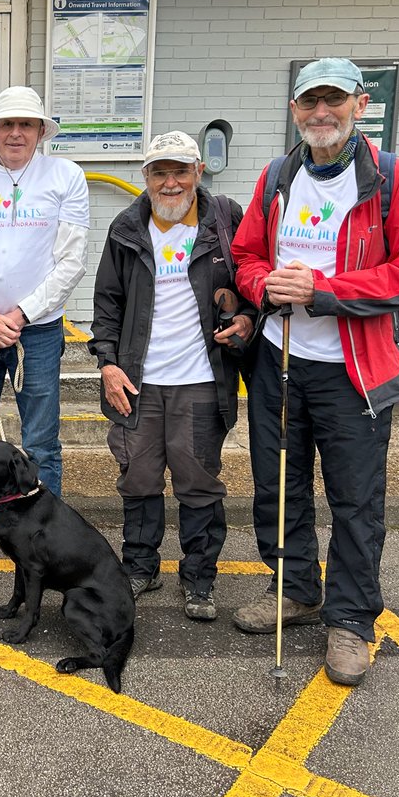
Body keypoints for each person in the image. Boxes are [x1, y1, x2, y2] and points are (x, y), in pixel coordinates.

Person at [231, 57, 399, 685]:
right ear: (294, 110)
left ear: (359, 105)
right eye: (309, 103)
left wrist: (323, 290)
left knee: (354, 500)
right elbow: (244, 256)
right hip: (280, 359)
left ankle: (350, 619)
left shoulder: (392, 180)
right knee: (280, 485)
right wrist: (265, 285)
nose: (321, 114)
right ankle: (296, 590)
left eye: (333, 102)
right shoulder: (276, 177)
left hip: (356, 368)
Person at [88, 131, 254, 620]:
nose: (170, 182)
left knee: (198, 484)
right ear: (146, 177)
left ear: (198, 172)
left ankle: (199, 580)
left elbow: (250, 281)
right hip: (138, 382)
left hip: (202, 383)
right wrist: (108, 363)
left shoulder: (225, 222)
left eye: (180, 170)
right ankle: (140, 567)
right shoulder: (126, 228)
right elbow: (107, 302)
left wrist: (244, 317)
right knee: (137, 478)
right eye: (159, 171)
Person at [0, 86, 89, 571]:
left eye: (27, 124)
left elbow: (71, 262)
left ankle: (47, 531)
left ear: (41, 131)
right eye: (8, 125)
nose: (17, 132)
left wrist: (21, 314)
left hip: (39, 332)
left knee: (41, 439)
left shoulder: (66, 178)